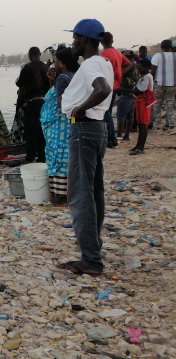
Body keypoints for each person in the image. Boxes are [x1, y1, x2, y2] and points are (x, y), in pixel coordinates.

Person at [59, 18, 113, 276]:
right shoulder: (104, 62)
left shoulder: (91, 64)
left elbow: (102, 89)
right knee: (93, 193)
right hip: (96, 129)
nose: (72, 43)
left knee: (80, 195)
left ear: (84, 39)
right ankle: (93, 248)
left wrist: (79, 109)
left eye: (75, 38)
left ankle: (91, 260)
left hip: (84, 129)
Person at [41, 47, 80, 206]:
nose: (54, 63)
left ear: (62, 63)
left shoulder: (63, 78)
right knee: (66, 155)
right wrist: (52, 81)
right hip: (67, 125)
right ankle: (66, 193)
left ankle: (60, 197)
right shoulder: (72, 76)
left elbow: (61, 103)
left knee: (58, 157)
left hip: (59, 127)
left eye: (56, 61)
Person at [14, 47, 49, 162]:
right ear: (39, 55)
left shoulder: (27, 67)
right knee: (42, 130)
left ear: (29, 55)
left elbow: (18, 83)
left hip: (32, 102)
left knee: (31, 131)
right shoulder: (46, 67)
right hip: (45, 102)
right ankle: (42, 157)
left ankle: (30, 157)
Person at [99, 32, 132, 148]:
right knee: (107, 112)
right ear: (112, 40)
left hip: (106, 86)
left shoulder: (103, 55)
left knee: (106, 113)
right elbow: (129, 64)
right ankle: (111, 139)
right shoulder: (117, 53)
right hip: (115, 85)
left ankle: (111, 139)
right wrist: (119, 74)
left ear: (101, 41)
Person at [131, 59, 155, 154]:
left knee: (143, 124)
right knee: (140, 124)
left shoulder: (147, 76)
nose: (138, 70)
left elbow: (140, 90)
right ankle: (138, 145)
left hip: (144, 101)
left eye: (139, 68)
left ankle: (141, 148)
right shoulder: (144, 76)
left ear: (147, 67)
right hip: (140, 101)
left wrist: (123, 90)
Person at [150, 40, 175, 132]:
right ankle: (172, 126)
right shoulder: (175, 56)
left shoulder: (157, 56)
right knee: (170, 105)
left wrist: (151, 82)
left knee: (157, 105)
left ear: (161, 47)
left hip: (159, 84)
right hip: (172, 84)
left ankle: (158, 126)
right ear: (171, 47)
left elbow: (153, 70)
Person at [115, 50, 139, 142]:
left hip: (126, 92)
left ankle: (119, 135)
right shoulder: (135, 65)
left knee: (121, 115)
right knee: (130, 115)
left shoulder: (127, 66)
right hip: (133, 93)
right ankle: (126, 135)